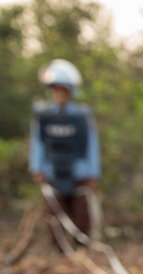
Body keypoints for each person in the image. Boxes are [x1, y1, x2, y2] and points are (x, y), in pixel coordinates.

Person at [28, 59, 101, 246]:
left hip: (80, 174)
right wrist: (37, 168)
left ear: (70, 91)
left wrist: (93, 173)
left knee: (82, 215)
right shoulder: (44, 117)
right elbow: (37, 143)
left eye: (63, 90)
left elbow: (92, 146)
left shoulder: (81, 117)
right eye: (56, 89)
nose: (59, 94)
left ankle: (81, 250)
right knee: (54, 216)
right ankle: (60, 253)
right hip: (53, 173)